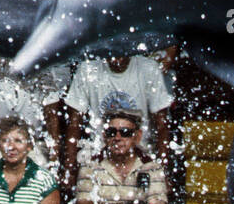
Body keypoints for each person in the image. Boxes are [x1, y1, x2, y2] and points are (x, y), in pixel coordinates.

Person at [63, 57, 172, 188]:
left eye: (122, 53)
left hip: (139, 149)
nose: (117, 58)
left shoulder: (148, 68)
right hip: (99, 150)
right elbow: (74, 124)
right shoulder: (87, 69)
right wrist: (69, 169)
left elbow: (162, 126)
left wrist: (164, 170)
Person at [0, 56, 66, 177]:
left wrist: (54, 161)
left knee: (40, 168)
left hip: (33, 148)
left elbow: (53, 122)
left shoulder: (45, 73)